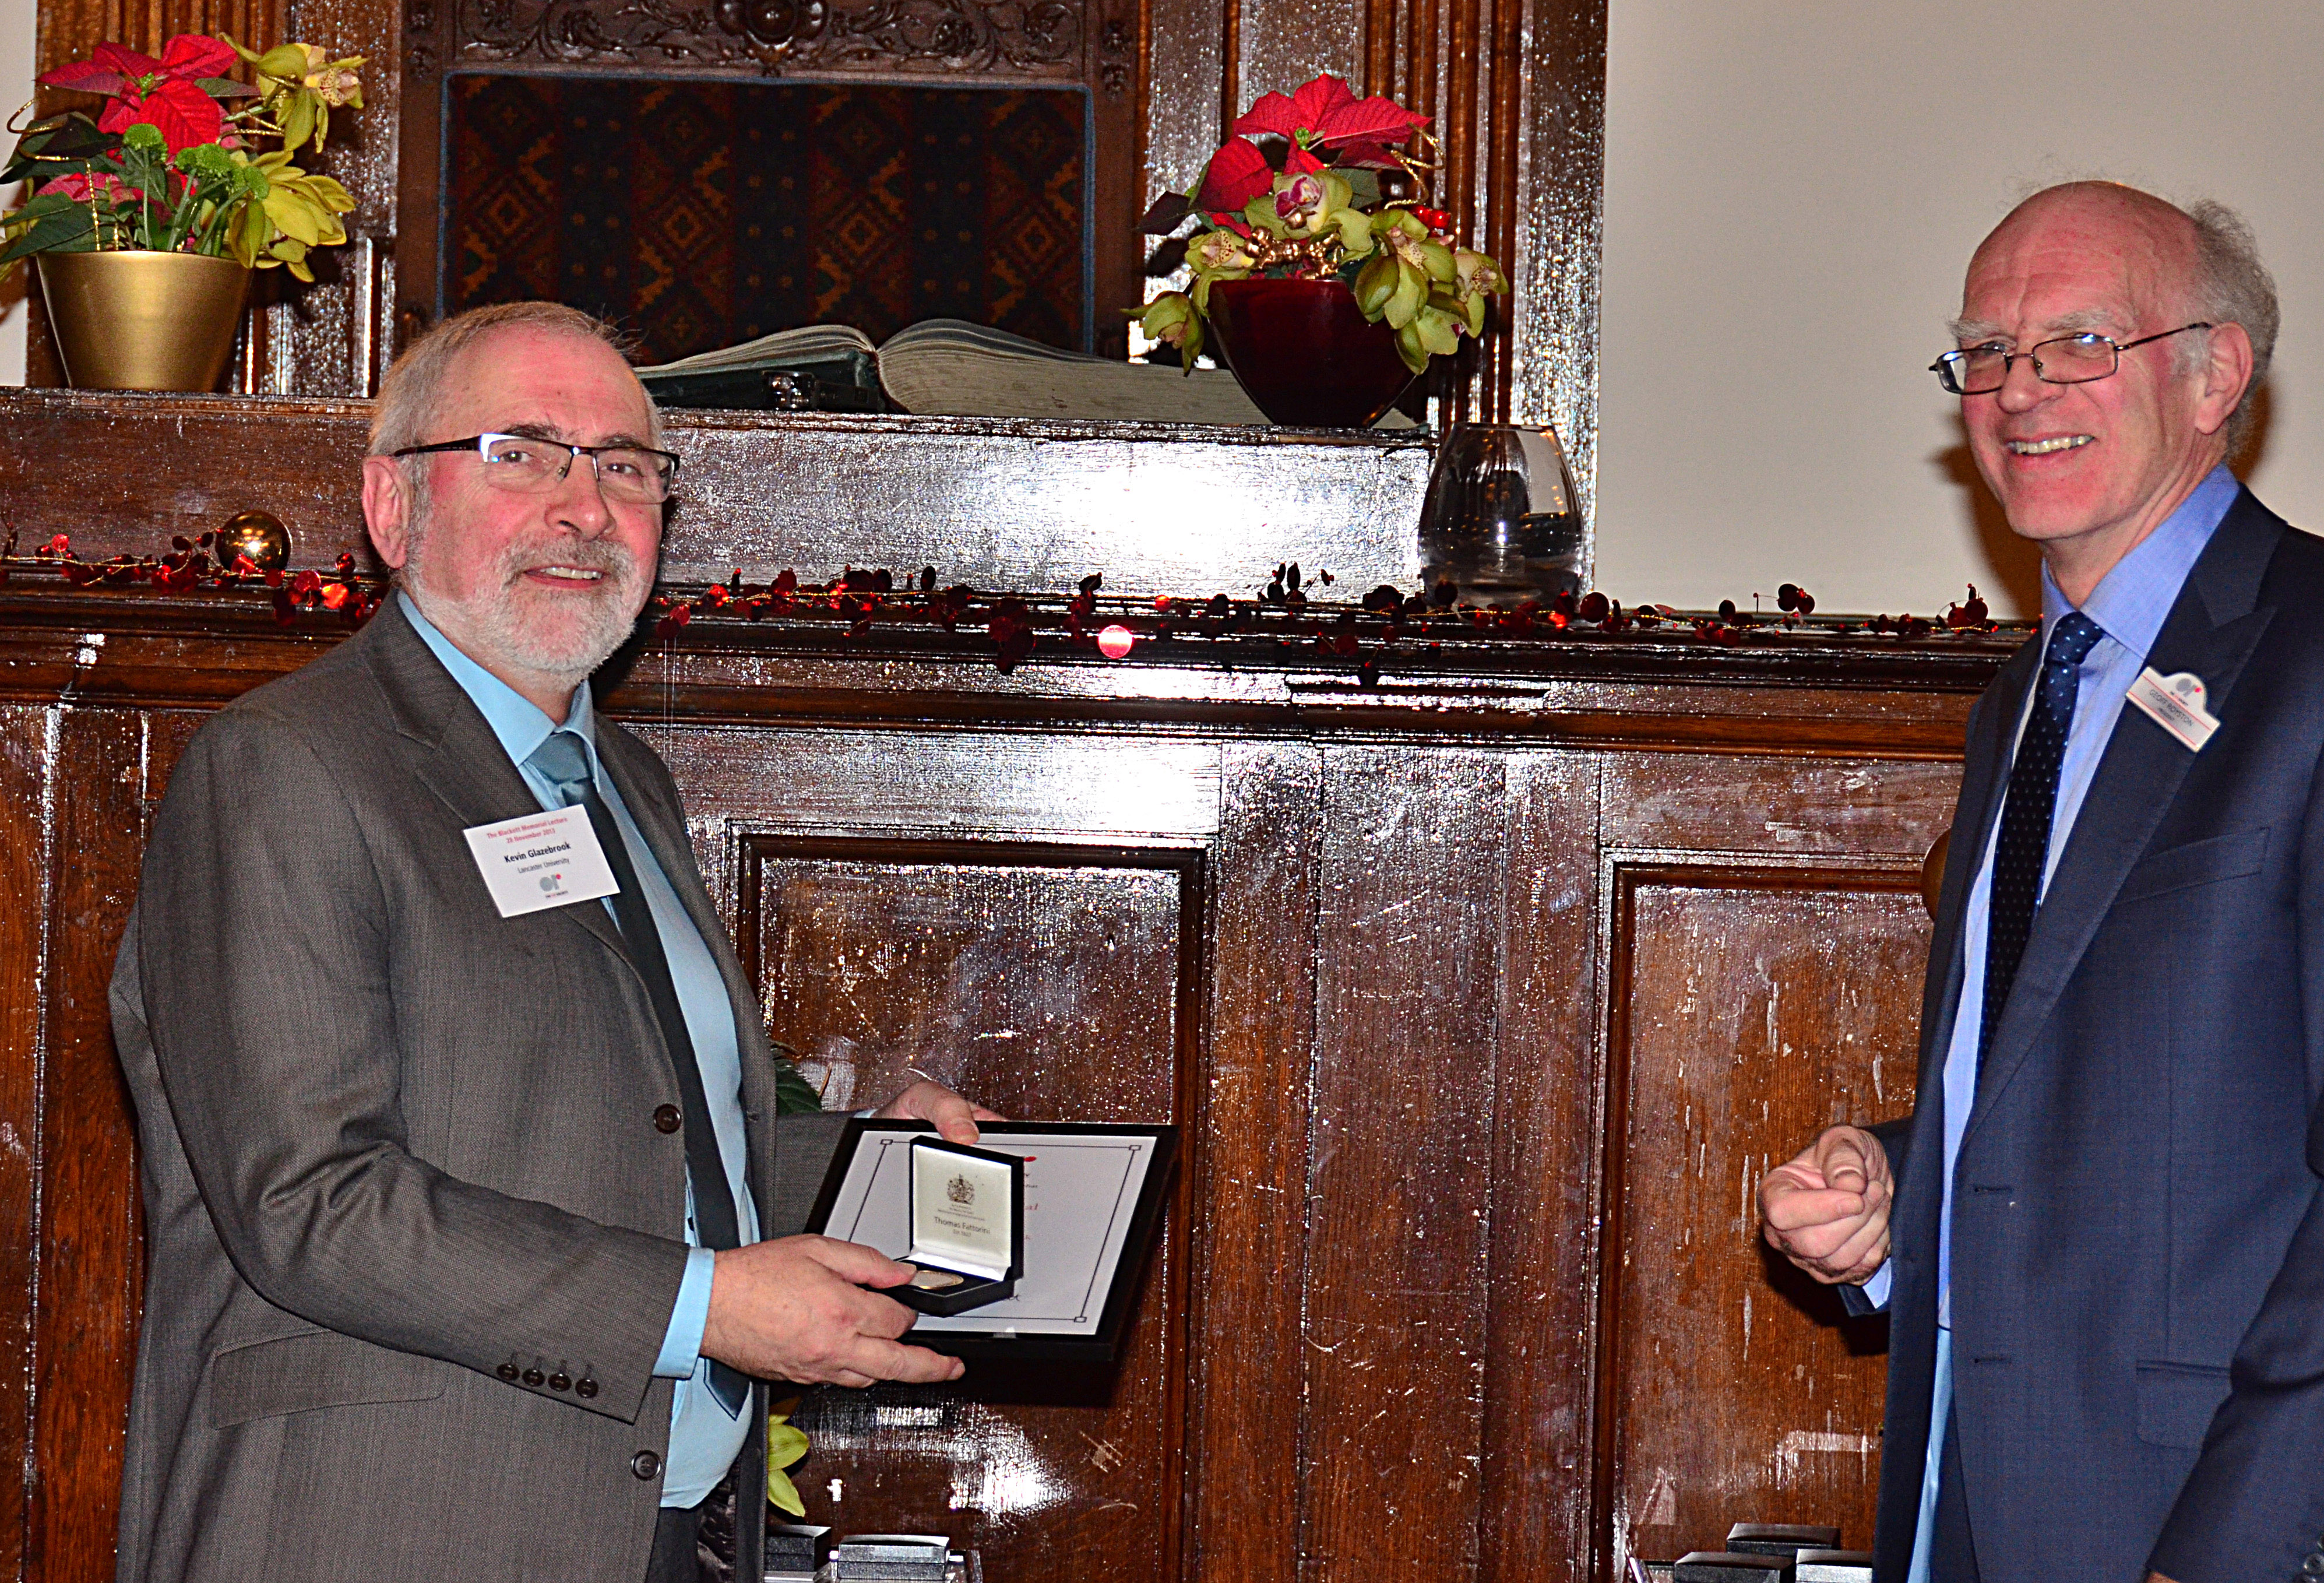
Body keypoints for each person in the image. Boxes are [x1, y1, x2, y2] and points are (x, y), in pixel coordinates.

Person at [109, 301, 998, 1583]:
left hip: (634, 1524)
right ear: (392, 508)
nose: (584, 507)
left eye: (624, 467)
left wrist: (875, 1169)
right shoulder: (288, 767)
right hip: (370, 1525)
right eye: (521, 451)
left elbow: (633, 1136)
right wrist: (707, 1308)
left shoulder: (619, 779)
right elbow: (309, 1202)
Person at [1759, 181, 2324, 1583]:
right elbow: (2096, 1094)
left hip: (2197, 1521)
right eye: (1986, 353)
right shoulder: (2026, 694)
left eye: (2077, 342)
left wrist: (2229, 1554)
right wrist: (1893, 1183)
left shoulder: (2313, 658)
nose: (2017, 390)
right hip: (1967, 1495)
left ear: (2213, 376)